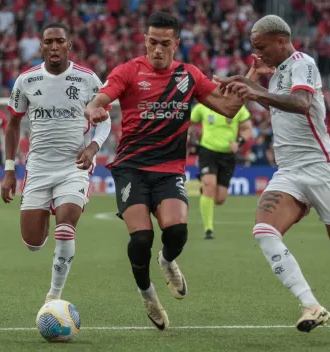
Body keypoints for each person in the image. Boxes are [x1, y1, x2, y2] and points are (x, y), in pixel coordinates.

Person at [217, 15, 330, 333]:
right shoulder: (276, 75)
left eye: (261, 46)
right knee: (264, 231)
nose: (258, 53)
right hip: (290, 171)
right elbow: (270, 100)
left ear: (282, 41)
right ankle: (311, 304)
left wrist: (254, 92)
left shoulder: (303, 62)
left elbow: (300, 102)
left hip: (322, 168)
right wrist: (244, 83)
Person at [85, 12, 247, 330]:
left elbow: (228, 108)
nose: (157, 49)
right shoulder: (128, 71)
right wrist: (94, 108)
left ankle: (167, 260)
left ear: (176, 43)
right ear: (145, 41)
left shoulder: (189, 75)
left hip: (169, 167)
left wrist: (247, 85)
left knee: (176, 232)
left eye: (164, 43)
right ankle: (148, 295)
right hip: (131, 166)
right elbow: (100, 98)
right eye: (152, 42)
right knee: (142, 236)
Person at [1, 23, 111, 304]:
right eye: (48, 41)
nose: (53, 46)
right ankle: (49, 206)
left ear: (68, 45)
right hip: (37, 167)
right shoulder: (26, 80)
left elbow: (105, 118)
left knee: (66, 226)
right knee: (33, 243)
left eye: (59, 41)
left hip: (74, 164)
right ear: (41, 46)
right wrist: (10, 170)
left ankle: (53, 297)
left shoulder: (87, 79)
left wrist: (93, 146)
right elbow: (13, 124)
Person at [190, 103, 252, 239]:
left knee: (219, 199)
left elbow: (247, 128)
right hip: (207, 152)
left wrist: (239, 142)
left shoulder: (237, 107)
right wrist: (191, 138)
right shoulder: (203, 106)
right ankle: (208, 229)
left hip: (228, 156)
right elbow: (188, 123)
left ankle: (204, 188)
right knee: (210, 185)